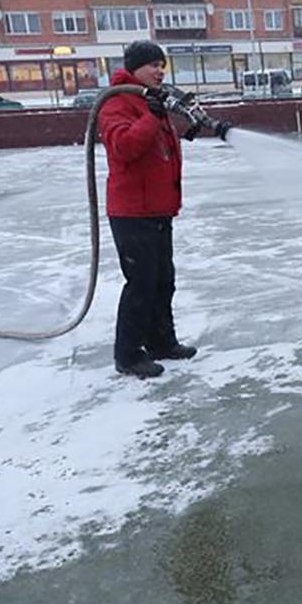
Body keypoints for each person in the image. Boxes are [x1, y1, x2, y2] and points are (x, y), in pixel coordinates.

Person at [98, 40, 198, 378]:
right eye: (153, 65)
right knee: (140, 283)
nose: (159, 71)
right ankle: (127, 355)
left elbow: (163, 140)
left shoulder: (150, 100)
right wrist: (152, 117)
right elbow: (124, 147)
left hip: (158, 208)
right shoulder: (116, 103)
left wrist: (186, 122)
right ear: (134, 68)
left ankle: (161, 342)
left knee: (163, 280)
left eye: (162, 65)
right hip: (131, 211)